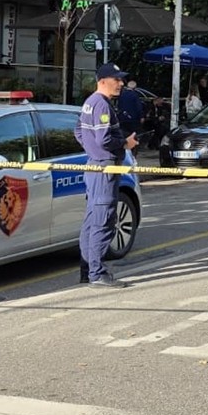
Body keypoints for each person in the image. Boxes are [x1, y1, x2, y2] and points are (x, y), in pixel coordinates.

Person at [74, 63, 135, 288]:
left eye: (121, 80)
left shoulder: (90, 102)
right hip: (105, 168)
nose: (120, 83)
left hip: (95, 166)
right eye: (116, 79)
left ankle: (87, 269)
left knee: (92, 220)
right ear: (102, 81)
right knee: (103, 220)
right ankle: (96, 273)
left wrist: (92, 150)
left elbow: (79, 131)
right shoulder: (101, 104)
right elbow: (104, 140)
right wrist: (125, 143)